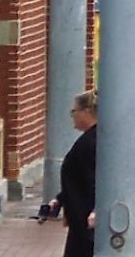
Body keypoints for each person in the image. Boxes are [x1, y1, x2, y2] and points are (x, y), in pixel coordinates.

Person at [51, 91, 97, 257]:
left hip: (85, 219)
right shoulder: (91, 139)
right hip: (81, 216)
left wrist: (97, 209)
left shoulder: (91, 142)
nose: (72, 116)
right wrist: (62, 199)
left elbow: (93, 178)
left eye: (73, 111)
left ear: (86, 111)